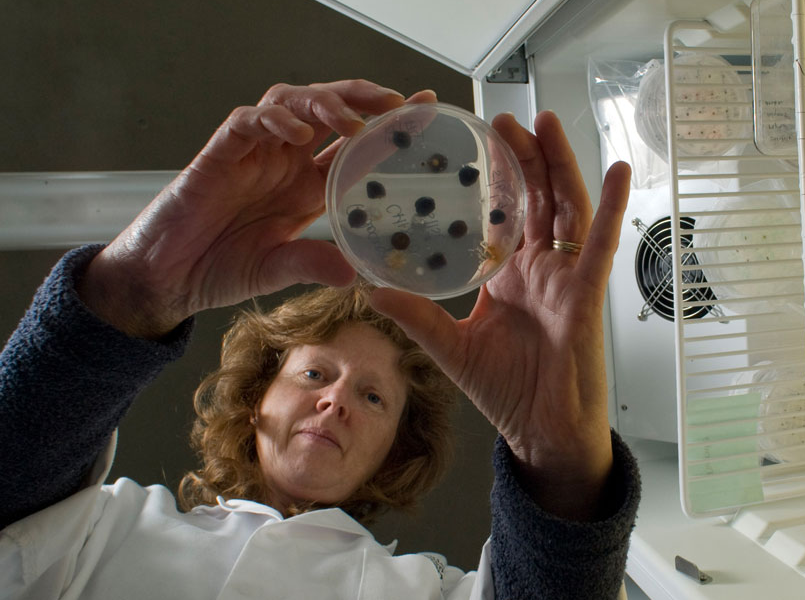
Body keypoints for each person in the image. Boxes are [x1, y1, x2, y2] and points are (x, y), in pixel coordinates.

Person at [0, 79, 639, 599]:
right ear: (256, 399)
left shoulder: (428, 591)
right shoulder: (97, 529)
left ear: (393, 450)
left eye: (373, 399)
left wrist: (558, 465)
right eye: (313, 375)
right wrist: (139, 286)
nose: (334, 403)